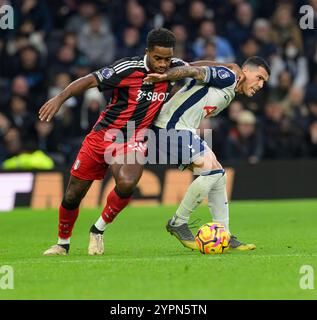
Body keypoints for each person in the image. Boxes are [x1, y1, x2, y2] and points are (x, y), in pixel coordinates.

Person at [40, 28, 236, 256]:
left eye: (167, 59)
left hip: (133, 137)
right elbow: (89, 80)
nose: (163, 64)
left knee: (127, 181)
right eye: (158, 58)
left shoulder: (173, 67)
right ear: (147, 52)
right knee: (74, 194)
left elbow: (196, 65)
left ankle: (98, 229)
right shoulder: (127, 68)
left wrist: (230, 67)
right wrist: (59, 98)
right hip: (102, 136)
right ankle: (62, 243)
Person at [144, 56, 270, 250]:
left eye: (264, 82)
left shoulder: (230, 84)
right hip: (170, 128)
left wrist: (189, 65)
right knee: (211, 171)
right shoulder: (229, 77)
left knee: (219, 174)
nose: (260, 85)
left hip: (182, 130)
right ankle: (178, 222)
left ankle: (225, 236)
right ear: (246, 70)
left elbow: (199, 67)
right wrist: (167, 75)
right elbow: (197, 72)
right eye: (259, 77)